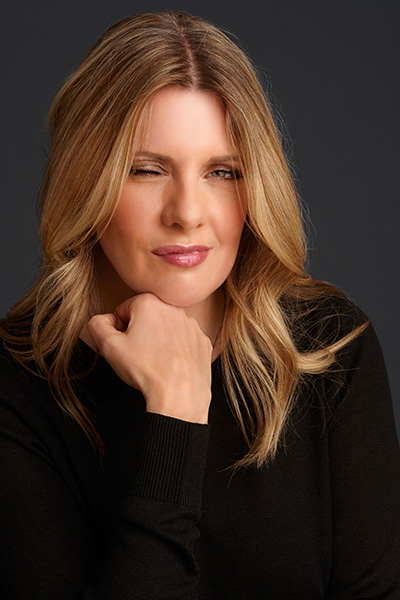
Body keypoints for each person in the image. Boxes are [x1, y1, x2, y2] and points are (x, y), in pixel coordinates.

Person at [0, 10, 399, 599]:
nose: (187, 212)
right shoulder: (16, 388)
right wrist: (177, 412)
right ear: (86, 180)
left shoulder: (332, 349)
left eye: (222, 172)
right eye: (145, 170)